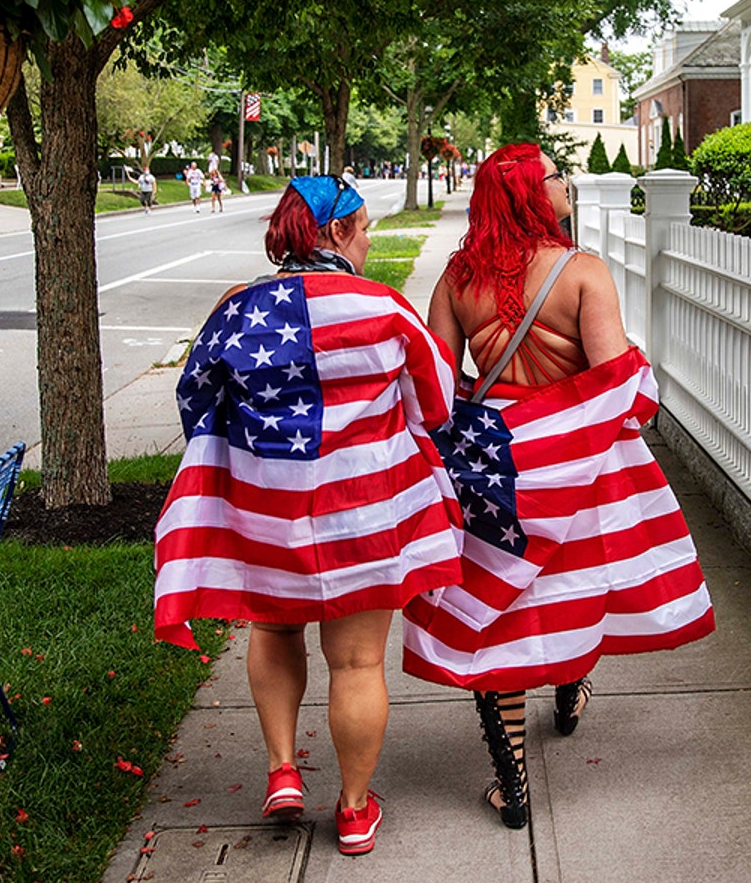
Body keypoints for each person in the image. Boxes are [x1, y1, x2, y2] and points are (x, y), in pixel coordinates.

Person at [401, 142, 716, 829]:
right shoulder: (582, 273)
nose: (566, 183)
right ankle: (571, 687)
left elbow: (433, 383)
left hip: (498, 471)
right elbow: (615, 377)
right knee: (574, 590)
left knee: (499, 612)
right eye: (554, 177)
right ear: (529, 195)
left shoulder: (458, 278)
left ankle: (511, 780)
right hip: (578, 471)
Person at [154, 176, 465, 857]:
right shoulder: (383, 309)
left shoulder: (236, 308)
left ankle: (282, 770)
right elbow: (438, 397)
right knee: (356, 663)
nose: (369, 238)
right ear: (333, 234)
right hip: (363, 515)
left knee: (273, 631)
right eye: (362, 226)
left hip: (267, 515)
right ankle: (354, 811)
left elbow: (193, 397)